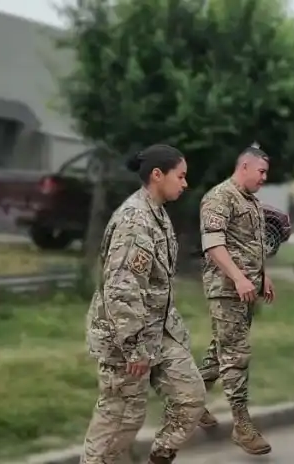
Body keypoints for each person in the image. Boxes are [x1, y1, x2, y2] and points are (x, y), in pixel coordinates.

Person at [81, 144, 205, 464]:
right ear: (156, 175)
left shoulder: (157, 213)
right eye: (181, 176)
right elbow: (122, 288)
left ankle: (159, 458)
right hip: (127, 338)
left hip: (157, 333)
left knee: (190, 398)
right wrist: (135, 346)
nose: (185, 183)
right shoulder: (135, 220)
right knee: (119, 422)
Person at [196, 143, 276, 455]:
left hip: (246, 290)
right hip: (225, 289)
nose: (264, 177)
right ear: (244, 167)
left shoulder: (252, 202)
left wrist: (262, 275)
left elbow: (252, 245)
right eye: (261, 171)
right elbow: (213, 245)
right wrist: (239, 277)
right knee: (236, 354)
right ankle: (242, 425)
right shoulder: (219, 197)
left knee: (222, 348)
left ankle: (191, 402)